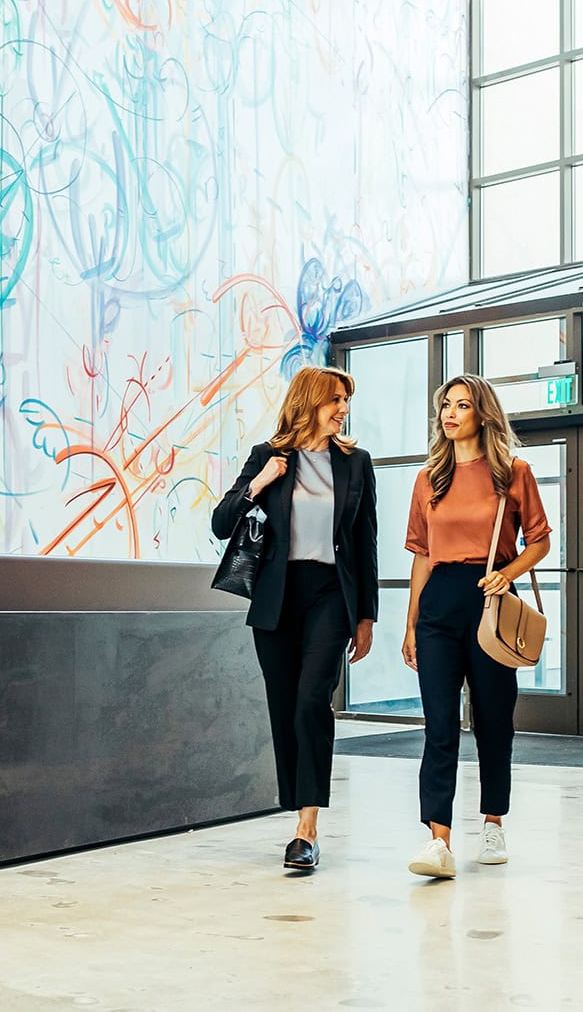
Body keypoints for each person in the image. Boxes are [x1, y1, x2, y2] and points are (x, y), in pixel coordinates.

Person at [211, 366, 379, 872]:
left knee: (312, 701)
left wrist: (366, 615)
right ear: (309, 401)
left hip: (331, 596)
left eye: (346, 401)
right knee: (285, 707)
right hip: (277, 599)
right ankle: (296, 807)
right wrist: (260, 483)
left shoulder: (355, 463)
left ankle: (307, 828)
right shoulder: (268, 457)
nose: (343, 409)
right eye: (335, 400)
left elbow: (364, 542)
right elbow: (221, 523)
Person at [400, 374, 552, 879]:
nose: (450, 413)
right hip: (439, 605)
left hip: (490, 605)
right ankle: (438, 839)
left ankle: (493, 822)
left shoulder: (513, 472)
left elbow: (539, 541)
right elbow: (421, 557)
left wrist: (506, 576)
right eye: (445, 404)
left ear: (482, 414)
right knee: (438, 725)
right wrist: (411, 622)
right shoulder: (428, 479)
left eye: (461, 405)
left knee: (492, 720)